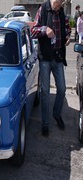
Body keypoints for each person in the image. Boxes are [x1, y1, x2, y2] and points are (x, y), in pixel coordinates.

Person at [31, 0, 71, 137]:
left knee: (62, 89)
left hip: (58, 57)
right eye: (59, 2)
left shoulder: (61, 11)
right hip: (45, 59)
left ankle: (56, 114)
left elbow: (67, 28)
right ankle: (45, 124)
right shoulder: (43, 9)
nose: (60, 5)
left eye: (62, 3)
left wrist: (67, 36)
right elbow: (33, 31)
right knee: (45, 92)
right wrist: (44, 29)